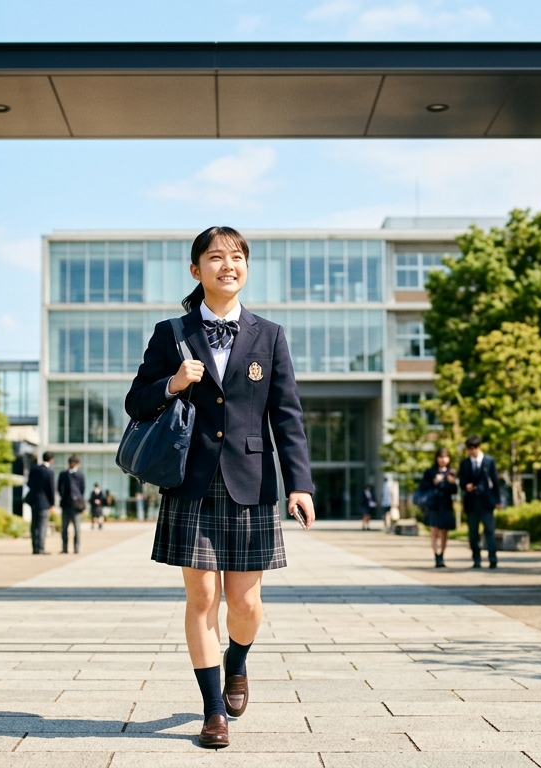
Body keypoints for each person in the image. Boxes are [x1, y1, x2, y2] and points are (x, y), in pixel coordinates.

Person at [126, 225, 315, 749]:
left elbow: (288, 415)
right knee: (203, 595)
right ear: (196, 270)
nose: (227, 265)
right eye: (215, 257)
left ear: (246, 268)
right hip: (190, 481)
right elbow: (136, 401)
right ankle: (213, 712)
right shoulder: (171, 334)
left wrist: (299, 484)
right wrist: (173, 383)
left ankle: (238, 661)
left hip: (252, 482)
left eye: (236, 257)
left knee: (245, 603)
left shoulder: (269, 335)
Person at [457, 435, 501, 569]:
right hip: (471, 503)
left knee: (489, 531)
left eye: (474, 448)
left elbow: (495, 481)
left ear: (479, 447)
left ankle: (493, 558)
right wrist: (466, 486)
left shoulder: (489, 461)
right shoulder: (465, 463)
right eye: (469, 449)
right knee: (473, 533)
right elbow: (462, 482)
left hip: (486, 501)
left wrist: (497, 500)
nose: (472, 451)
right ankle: (476, 559)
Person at [419, 448, 458, 568]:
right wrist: (434, 482)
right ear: (436, 458)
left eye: (445, 457)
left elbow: (455, 491)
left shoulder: (452, 472)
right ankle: (436, 555)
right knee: (434, 531)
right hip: (434, 505)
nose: (443, 459)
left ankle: (442, 555)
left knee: (445, 532)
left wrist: (452, 483)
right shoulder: (430, 472)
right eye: (441, 457)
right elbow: (423, 487)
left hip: (446, 505)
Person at [25, 452, 56, 555]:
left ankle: (35, 548)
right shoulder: (49, 471)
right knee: (42, 525)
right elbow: (51, 488)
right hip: (44, 501)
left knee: (34, 525)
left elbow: (29, 483)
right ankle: (40, 548)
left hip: (33, 500)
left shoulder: (34, 469)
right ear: (51, 460)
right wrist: (52, 503)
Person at [57, 455, 86, 554]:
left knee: (77, 528)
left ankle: (76, 547)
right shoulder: (63, 474)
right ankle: (64, 547)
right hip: (66, 504)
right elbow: (59, 488)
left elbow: (82, 489)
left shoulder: (80, 475)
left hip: (76, 505)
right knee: (64, 528)